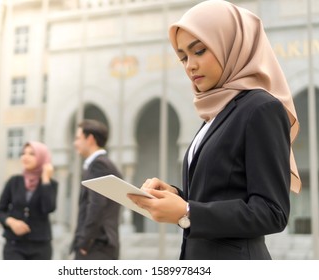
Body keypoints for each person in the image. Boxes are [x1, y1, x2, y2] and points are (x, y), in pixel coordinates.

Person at [128, 0, 301, 260]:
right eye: (183, 56)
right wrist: (175, 196)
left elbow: (271, 212)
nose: (190, 66)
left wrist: (187, 212)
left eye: (199, 51)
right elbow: (220, 193)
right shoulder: (217, 110)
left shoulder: (260, 108)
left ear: (230, 45)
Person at [0, 141, 58, 260]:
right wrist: (11, 222)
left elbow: (48, 208)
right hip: (14, 245)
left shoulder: (50, 184)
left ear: (42, 158)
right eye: (23, 153)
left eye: (31, 154)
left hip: (40, 246)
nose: (25, 157)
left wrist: (45, 179)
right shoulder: (14, 181)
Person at [71, 119, 123, 260]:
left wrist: (84, 242)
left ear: (90, 139)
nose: (75, 143)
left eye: (77, 138)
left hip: (96, 246)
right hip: (98, 246)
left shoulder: (99, 165)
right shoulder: (104, 164)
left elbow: (96, 205)